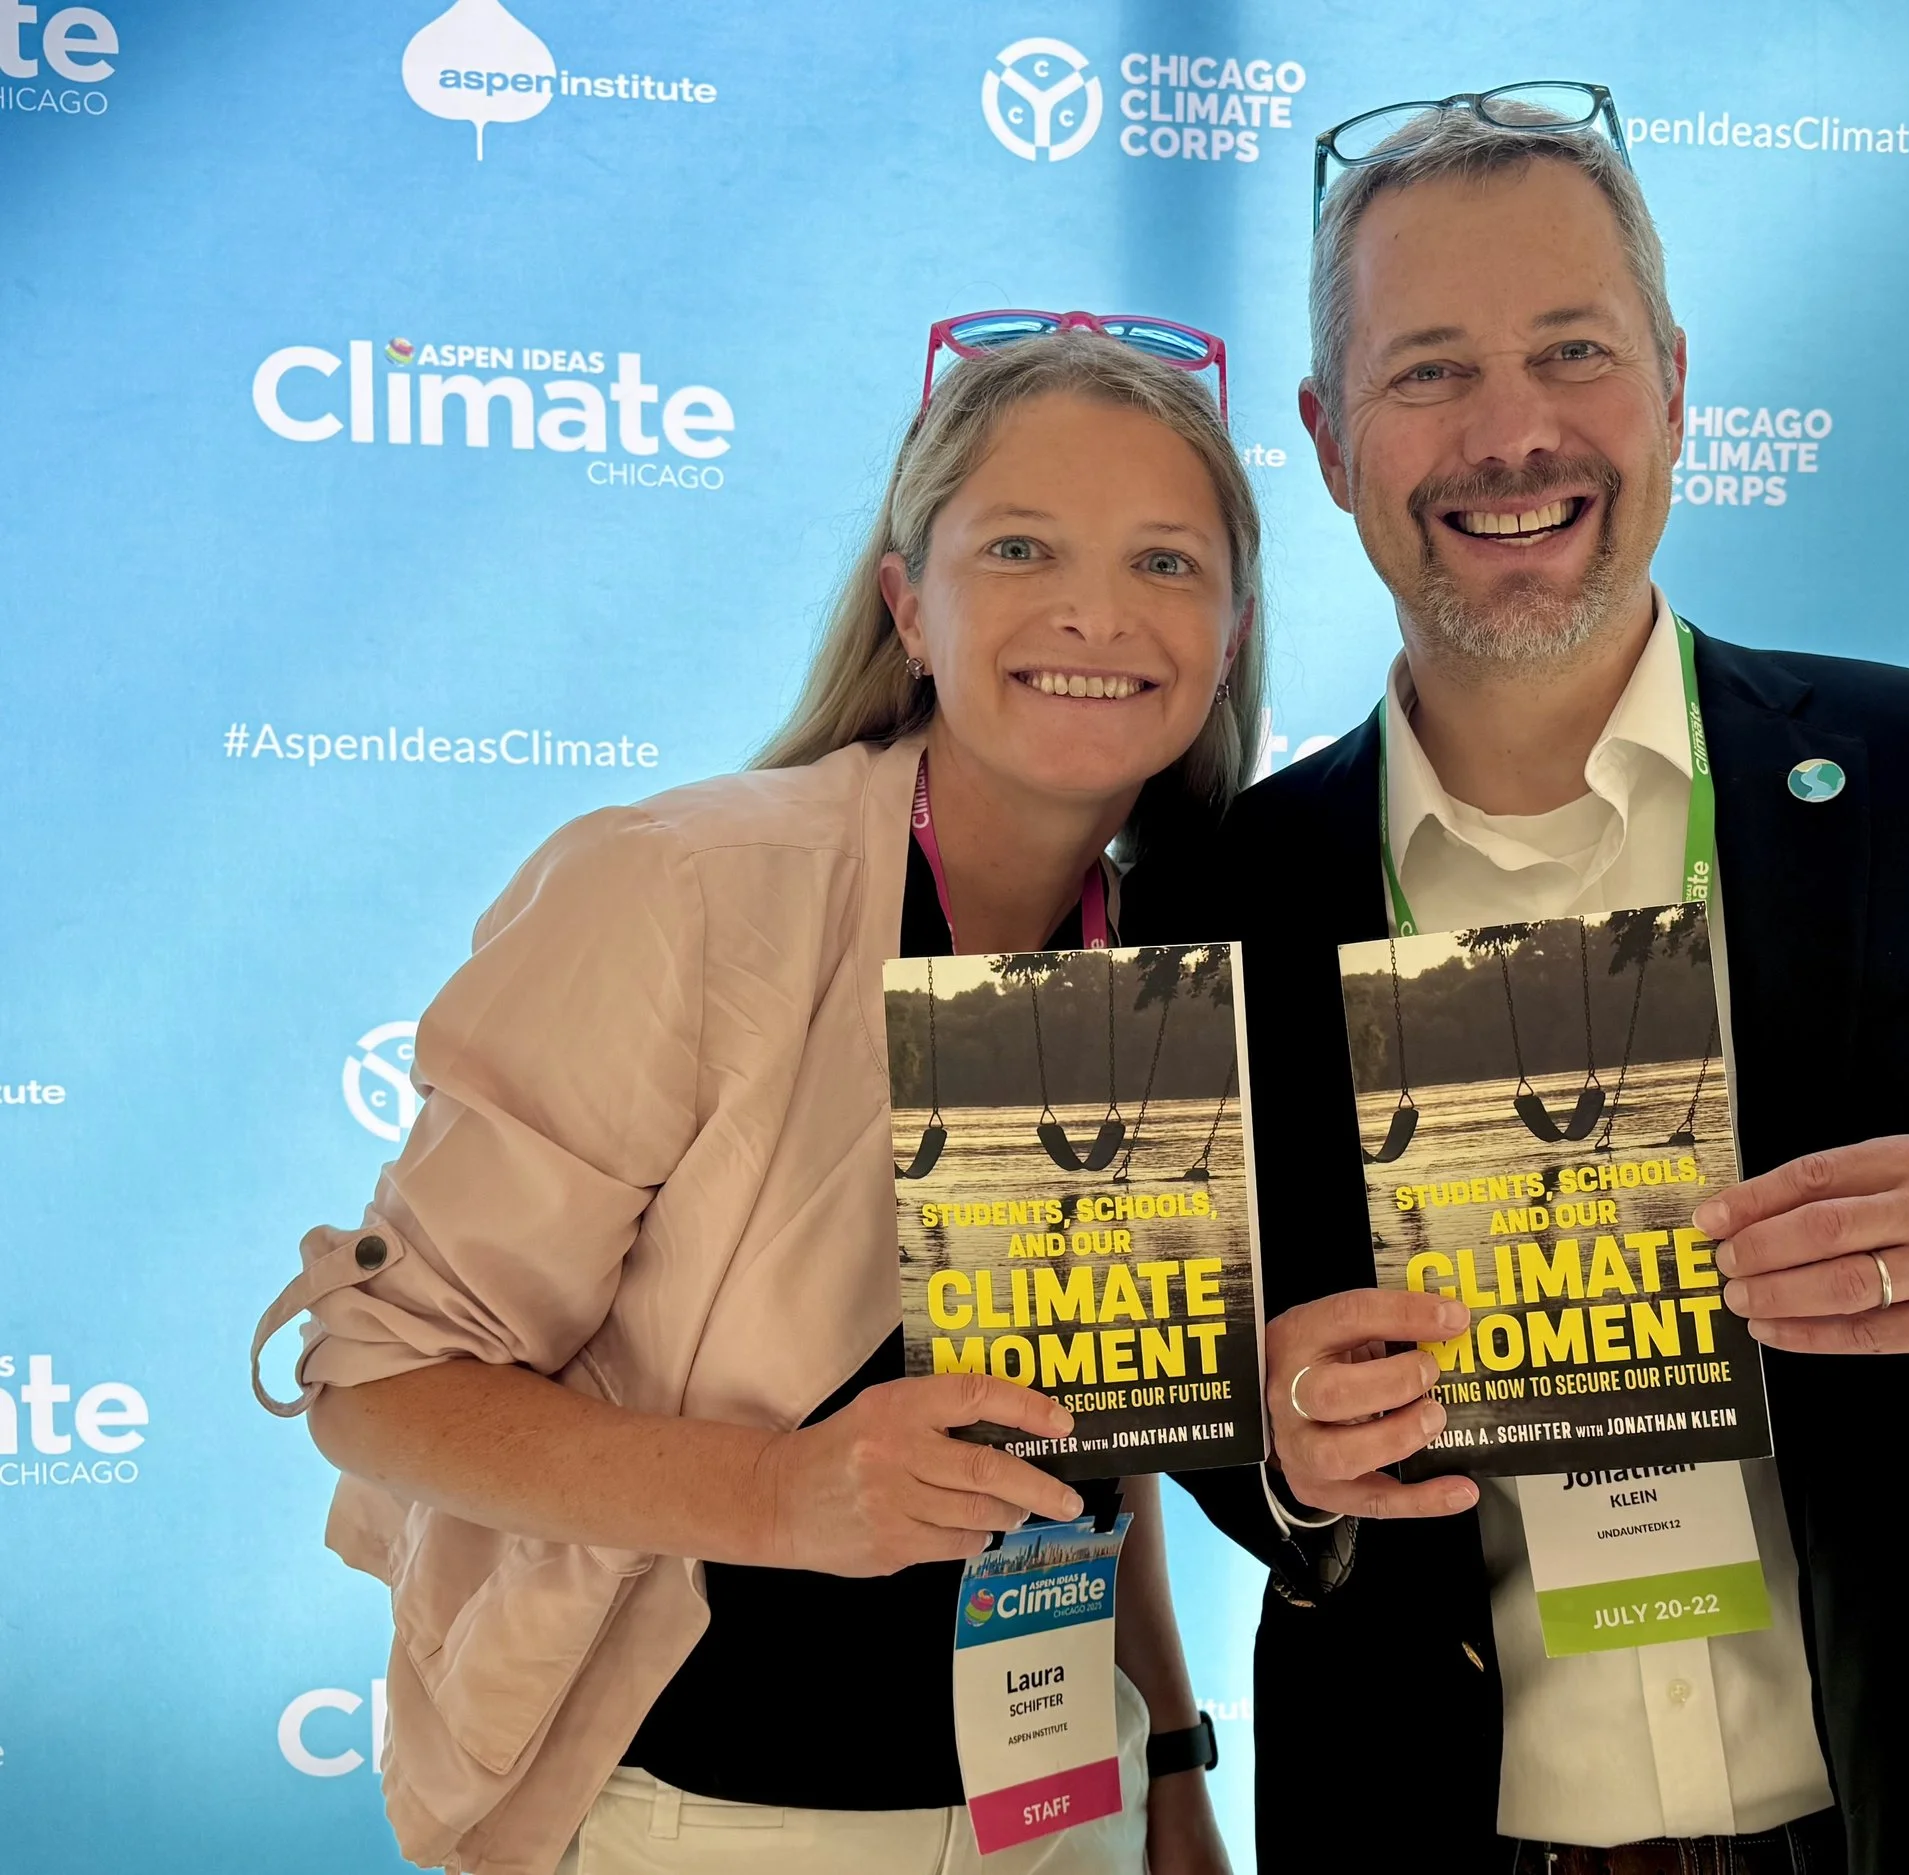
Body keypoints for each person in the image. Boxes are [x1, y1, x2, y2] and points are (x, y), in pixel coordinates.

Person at [1139, 87, 1909, 1874]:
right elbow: (1173, 1373)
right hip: (1440, 1822)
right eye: (1429, 369)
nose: (1510, 432)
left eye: (1572, 349)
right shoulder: (1217, 888)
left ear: (1674, 384)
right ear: (1326, 433)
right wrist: (1275, 1441)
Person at [248, 320, 1259, 1875]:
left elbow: (1088, 1430)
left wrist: (1175, 1755)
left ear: (1233, 624)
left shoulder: (1153, 953)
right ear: (908, 606)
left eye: (1166, 562)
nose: (1097, 610)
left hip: (1067, 1817)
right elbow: (376, 1382)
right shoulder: (681, 891)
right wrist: (780, 1492)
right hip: (701, 1822)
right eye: (1020, 544)